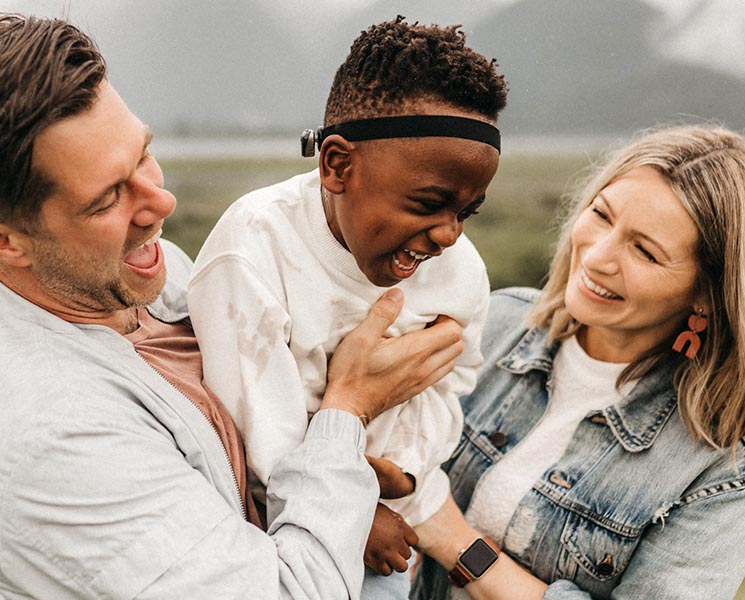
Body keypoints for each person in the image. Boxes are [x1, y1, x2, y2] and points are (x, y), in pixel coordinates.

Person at [0, 14, 466, 599]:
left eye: (143, 156)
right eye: (107, 199)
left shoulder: (124, 272)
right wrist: (348, 410)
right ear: (3, 242)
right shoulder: (55, 445)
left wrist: (344, 476)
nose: (160, 201)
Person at [409, 124, 745, 599]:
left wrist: (455, 541)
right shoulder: (493, 320)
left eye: (644, 251)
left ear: (708, 294)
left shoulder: (724, 466)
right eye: (601, 214)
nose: (597, 257)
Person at [186, 16, 506, 598]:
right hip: (276, 535)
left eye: (467, 212)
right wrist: (353, 510)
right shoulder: (256, 250)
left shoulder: (460, 273)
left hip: (394, 515)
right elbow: (249, 420)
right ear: (337, 166)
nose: (449, 236)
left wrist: (406, 466)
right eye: (429, 203)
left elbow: (453, 381)